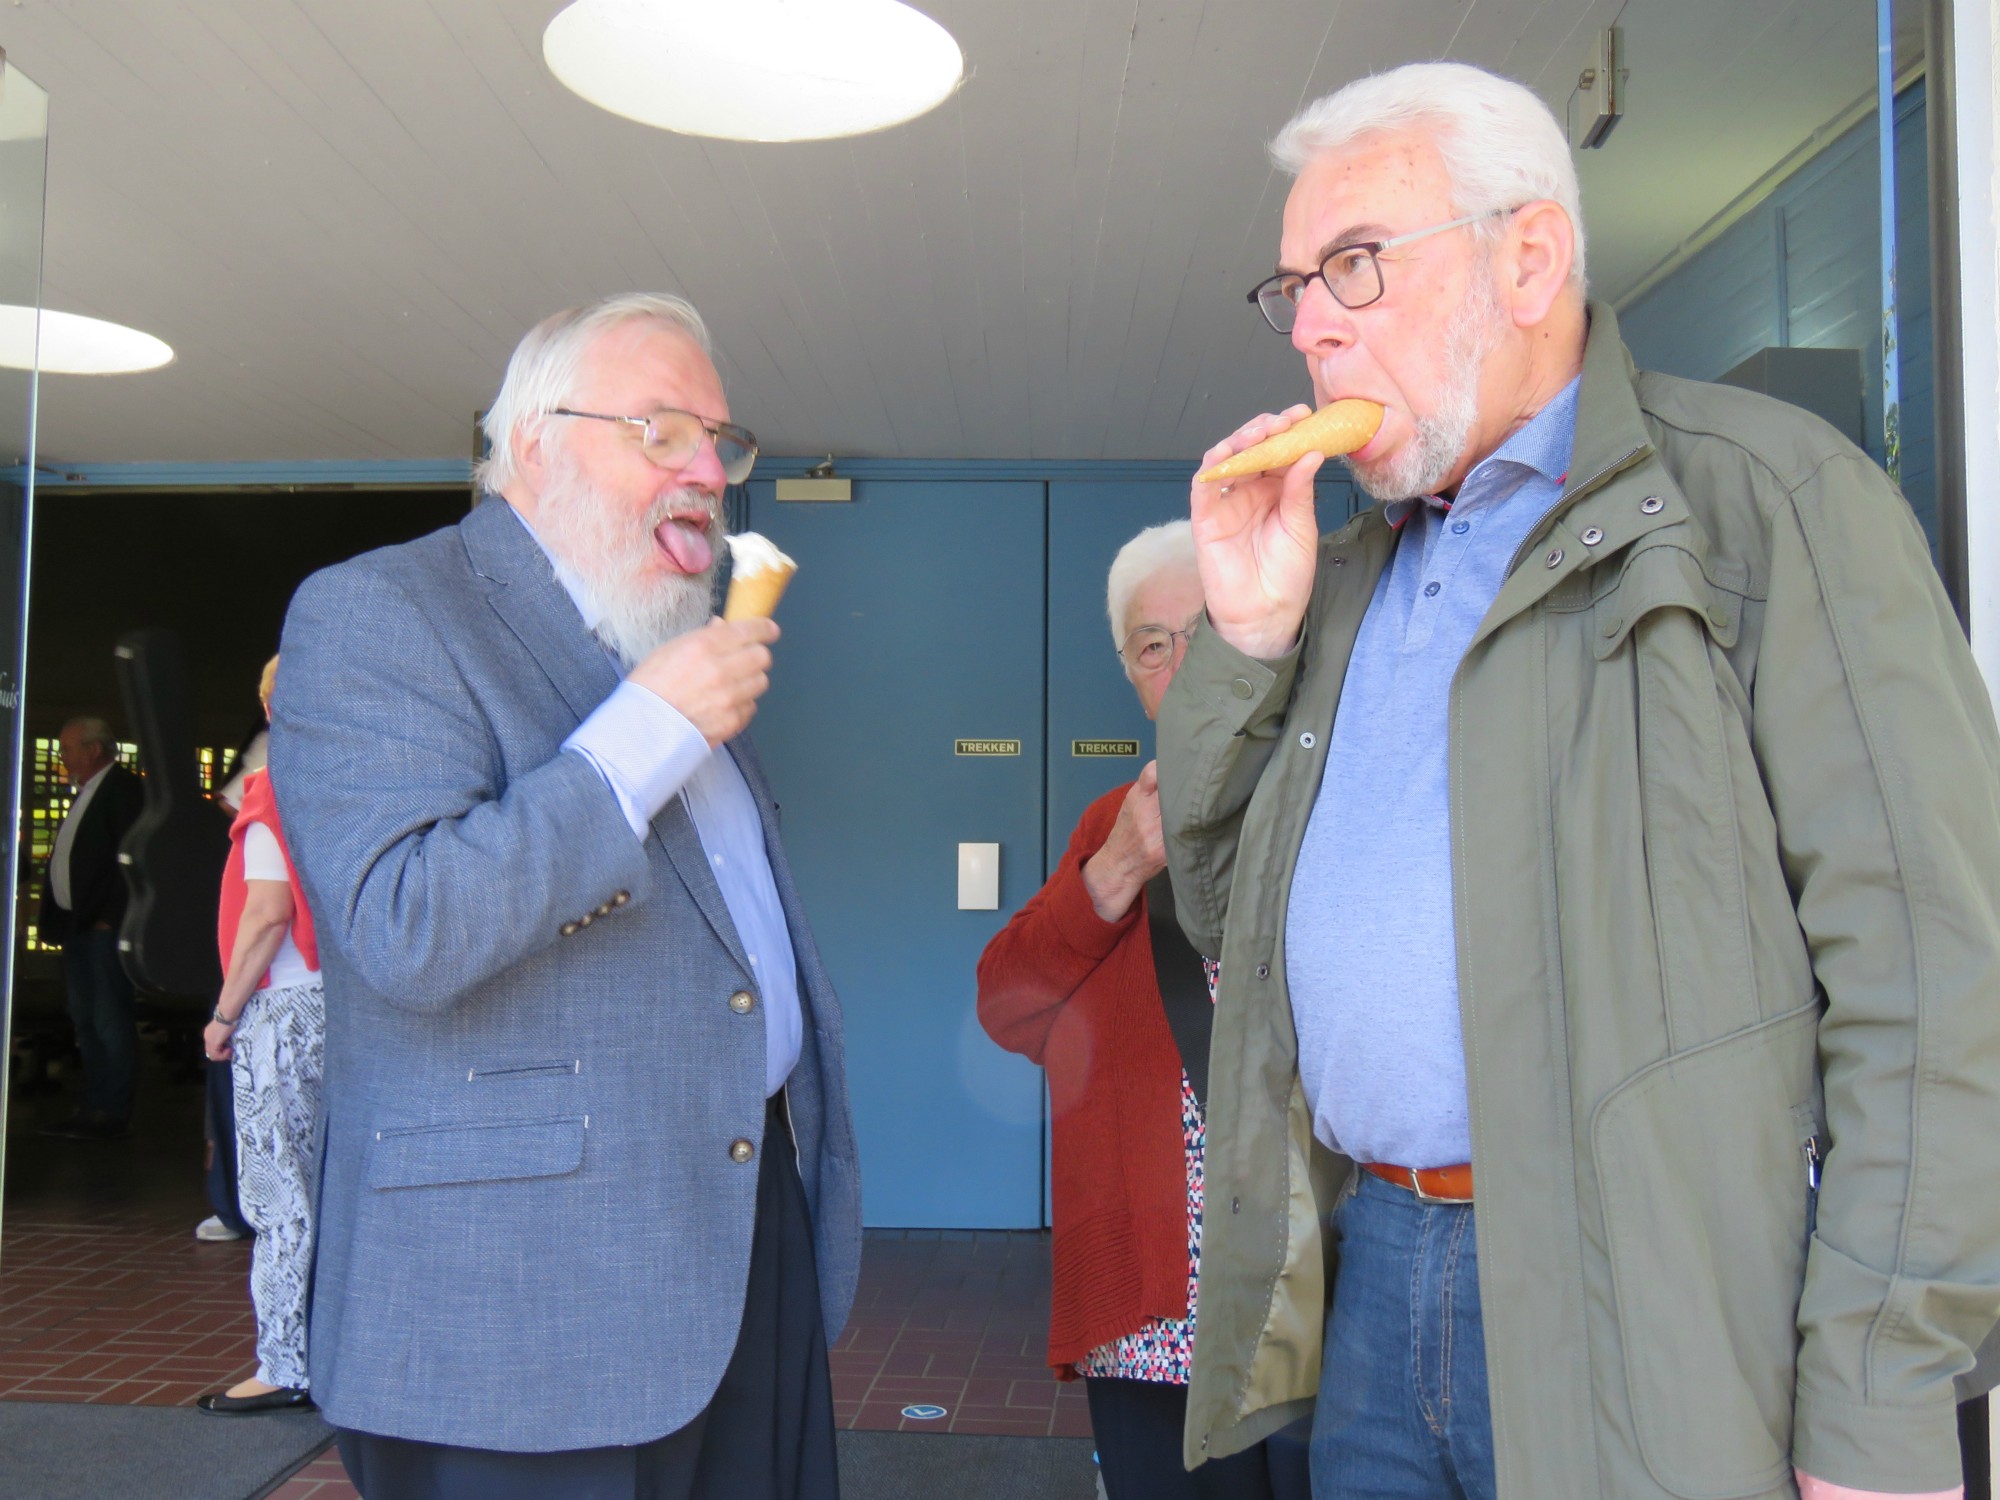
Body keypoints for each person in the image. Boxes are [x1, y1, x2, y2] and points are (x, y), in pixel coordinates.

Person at [1158, 61, 2000, 1500]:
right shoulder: (1347, 579)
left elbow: (1932, 979)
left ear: (1528, 257)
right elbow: (1224, 909)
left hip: (1646, 1308)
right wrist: (1245, 641)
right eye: (1294, 284)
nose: (1307, 323)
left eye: (1353, 265)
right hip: (1379, 1280)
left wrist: (1883, 1398)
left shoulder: (1766, 500)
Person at [269, 291, 861, 1500]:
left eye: (719, 441)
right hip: (519, 1309)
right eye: (662, 430)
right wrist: (641, 737)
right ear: (532, 440)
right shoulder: (381, 610)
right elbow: (405, 926)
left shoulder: (655, 641)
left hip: (736, 1247)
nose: (706, 468)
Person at [978, 521, 1307, 1500]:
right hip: (1158, 1309)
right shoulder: (1109, 824)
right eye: (1151, 643)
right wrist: (1116, 867)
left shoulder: (1321, 803)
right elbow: (1007, 1008)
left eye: (1203, 628)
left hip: (1312, 1293)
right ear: (1131, 674)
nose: (1180, 658)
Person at [196, 654, 323, 1415]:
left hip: (281, 1006)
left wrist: (223, 1011)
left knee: (281, 1193)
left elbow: (268, 909)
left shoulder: (274, 791)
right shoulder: (352, 790)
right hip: (344, 1009)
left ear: (272, 712)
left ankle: (283, 1362)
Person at [36, 715, 144, 1140]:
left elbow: (134, 860)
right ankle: (93, 1106)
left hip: (102, 928)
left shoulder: (123, 790)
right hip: (77, 926)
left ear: (93, 750)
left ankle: (110, 1111)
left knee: (108, 1019)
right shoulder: (88, 792)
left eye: (67, 749)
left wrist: (110, 917)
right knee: (85, 1018)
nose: (63, 759)